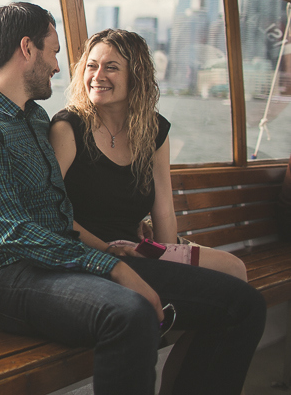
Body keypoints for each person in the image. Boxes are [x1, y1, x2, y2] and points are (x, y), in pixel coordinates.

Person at [0, 2, 265, 395]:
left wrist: (127, 252)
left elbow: (61, 209)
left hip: (61, 262)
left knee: (243, 305)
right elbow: (12, 231)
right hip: (8, 275)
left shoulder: (34, 118)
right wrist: (112, 266)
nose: (60, 66)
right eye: (55, 52)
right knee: (129, 314)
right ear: (27, 49)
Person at [49, 29, 247, 281]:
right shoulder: (68, 127)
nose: (98, 76)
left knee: (234, 268)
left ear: (136, 76)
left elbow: (163, 211)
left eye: (111, 67)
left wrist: (168, 261)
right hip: (92, 253)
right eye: (91, 66)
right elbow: (50, 209)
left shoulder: (153, 131)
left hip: (138, 250)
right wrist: (107, 249)